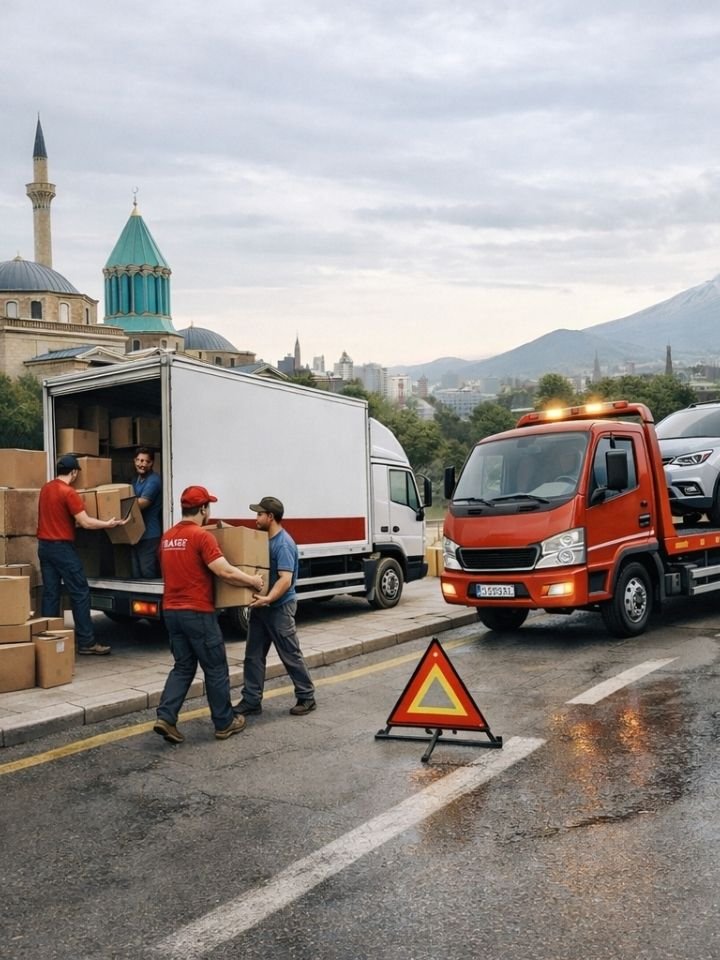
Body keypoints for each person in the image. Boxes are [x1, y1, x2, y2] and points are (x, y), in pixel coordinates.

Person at [153, 484, 264, 744]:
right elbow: (223, 571)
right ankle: (224, 722)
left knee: (183, 666)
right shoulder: (201, 536)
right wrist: (252, 581)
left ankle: (166, 717)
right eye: (208, 506)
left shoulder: (167, 538)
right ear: (203, 508)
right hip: (197, 612)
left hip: (171, 611)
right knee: (215, 667)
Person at [234, 496, 316, 718]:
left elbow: (285, 579)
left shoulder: (283, 543)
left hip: (280, 607)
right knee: (253, 656)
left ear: (270, 517)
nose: (256, 517)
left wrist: (268, 599)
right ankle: (251, 700)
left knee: (290, 654)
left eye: (260, 514)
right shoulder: (263, 540)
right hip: (262, 607)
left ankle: (306, 696)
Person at [37, 454, 128, 656]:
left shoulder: (46, 488)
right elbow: (85, 522)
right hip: (62, 549)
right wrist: (108, 524)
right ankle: (87, 642)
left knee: (51, 593)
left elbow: (60, 517)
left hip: (44, 547)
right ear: (75, 472)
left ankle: (48, 641)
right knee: (80, 592)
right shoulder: (68, 492)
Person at [131, 446, 162, 578]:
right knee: (136, 574)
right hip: (136, 534)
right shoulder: (135, 480)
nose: (141, 464)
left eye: (145, 461)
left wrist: (116, 504)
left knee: (147, 573)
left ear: (151, 463)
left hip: (149, 535)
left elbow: (143, 503)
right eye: (138, 460)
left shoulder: (154, 480)